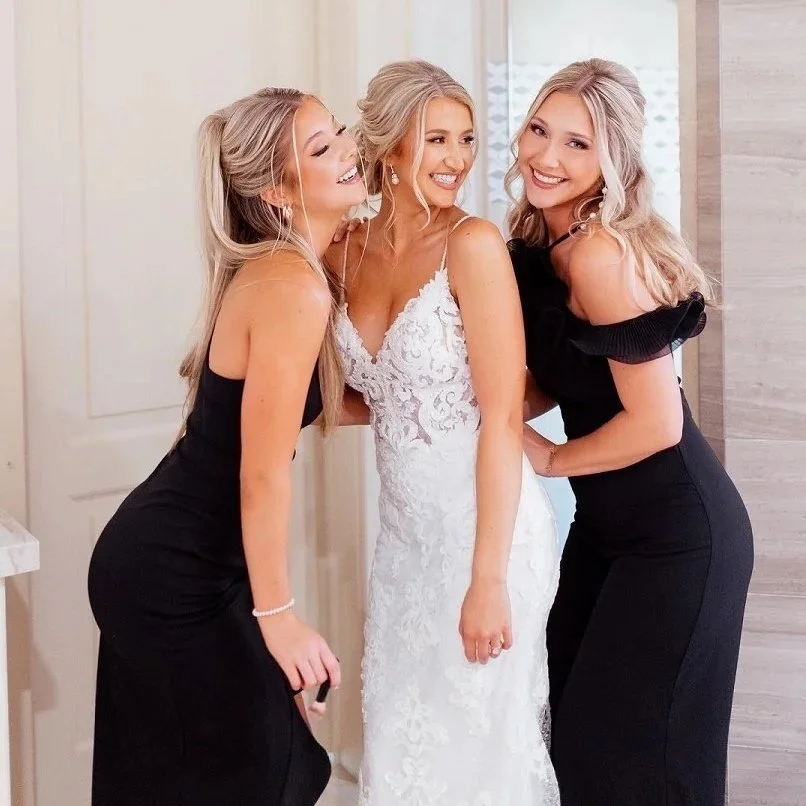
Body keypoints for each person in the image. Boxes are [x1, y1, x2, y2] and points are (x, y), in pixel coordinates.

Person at [87, 87, 367, 805]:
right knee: (269, 775)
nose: (348, 151)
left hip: (185, 565)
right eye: (321, 149)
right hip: (172, 578)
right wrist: (279, 623)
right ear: (277, 189)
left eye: (338, 133)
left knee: (216, 775)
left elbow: (258, 421)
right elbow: (262, 475)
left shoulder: (293, 270)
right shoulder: (290, 286)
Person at [508, 58, 754, 805]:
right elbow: (571, 370)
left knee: (633, 762)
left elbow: (656, 421)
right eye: (539, 130)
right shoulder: (543, 240)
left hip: (680, 537)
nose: (547, 157)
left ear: (613, 158)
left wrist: (551, 458)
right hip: (610, 530)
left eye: (578, 144)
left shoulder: (601, 255)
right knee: (570, 738)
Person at [327, 59, 560, 805]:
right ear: (391, 147)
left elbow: (500, 412)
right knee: (402, 749)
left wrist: (487, 582)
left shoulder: (475, 245)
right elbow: (377, 394)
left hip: (486, 535)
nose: (457, 160)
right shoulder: (343, 252)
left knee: (478, 756)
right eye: (436, 140)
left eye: (465, 139)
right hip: (405, 545)